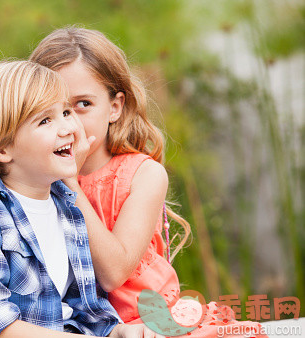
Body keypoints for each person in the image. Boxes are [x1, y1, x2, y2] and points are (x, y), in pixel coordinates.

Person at [30, 27, 267, 338]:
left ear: (114, 107)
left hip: (149, 324)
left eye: (82, 104)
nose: (69, 122)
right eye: (52, 111)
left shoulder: (143, 175)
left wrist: (70, 185)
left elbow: (114, 274)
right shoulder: (35, 185)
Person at [0, 60, 159, 337]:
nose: (68, 128)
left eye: (66, 112)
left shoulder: (66, 209)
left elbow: (77, 312)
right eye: (45, 120)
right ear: (0, 148)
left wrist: (118, 332)